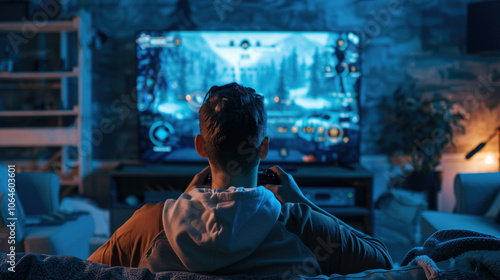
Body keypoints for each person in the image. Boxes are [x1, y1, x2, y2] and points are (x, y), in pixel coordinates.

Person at [88, 83, 393, 276]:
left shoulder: (150, 224)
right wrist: (304, 203)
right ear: (264, 148)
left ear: (199, 146)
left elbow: (84, 271)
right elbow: (383, 259)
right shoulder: (302, 226)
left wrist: (182, 204)